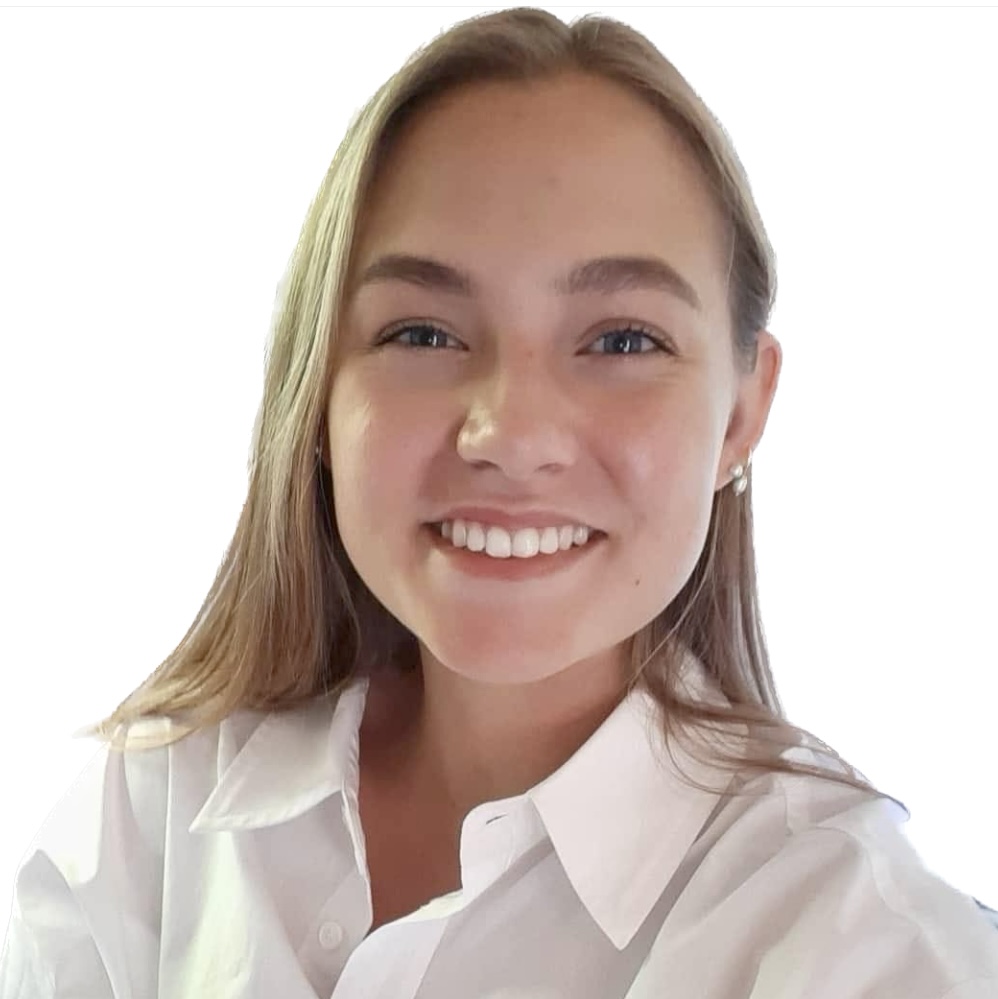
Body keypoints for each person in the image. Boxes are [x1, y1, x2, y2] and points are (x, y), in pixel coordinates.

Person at [2, 8, 996, 998]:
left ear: (740, 413)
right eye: (423, 334)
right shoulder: (144, 824)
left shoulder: (872, 956)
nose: (511, 436)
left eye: (622, 340)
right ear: (317, 391)